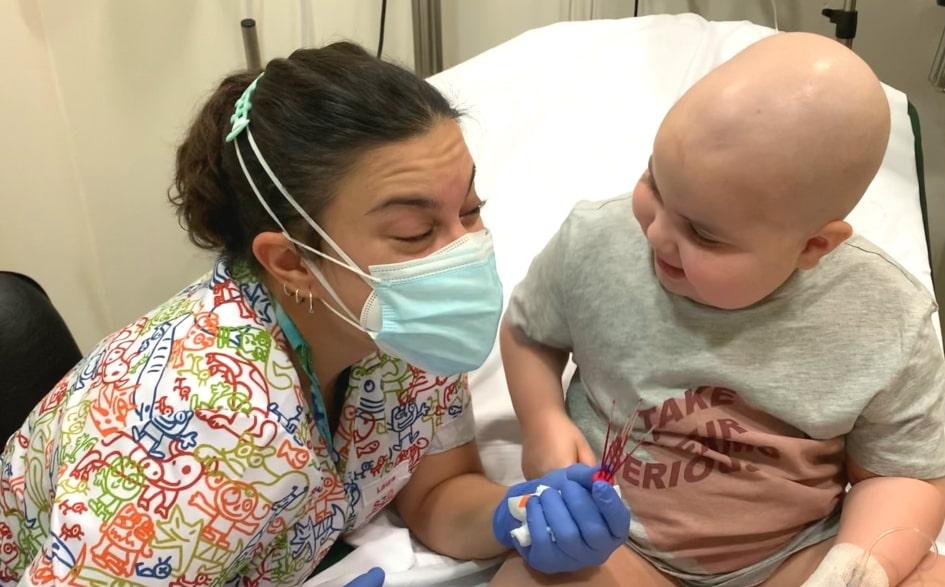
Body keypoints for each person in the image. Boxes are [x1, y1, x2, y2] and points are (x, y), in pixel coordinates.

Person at [0, 42, 628, 586]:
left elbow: (433, 491)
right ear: (292, 262)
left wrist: (512, 518)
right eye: (414, 232)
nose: (462, 253)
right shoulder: (193, 427)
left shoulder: (399, 333)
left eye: (470, 207)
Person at [495, 33, 945, 586]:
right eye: (654, 184)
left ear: (813, 246)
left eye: (704, 235)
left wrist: (854, 571)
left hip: (793, 557)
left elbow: (903, 476)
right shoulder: (595, 242)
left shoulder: (888, 316)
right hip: (618, 547)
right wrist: (543, 421)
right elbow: (527, 333)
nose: (657, 233)